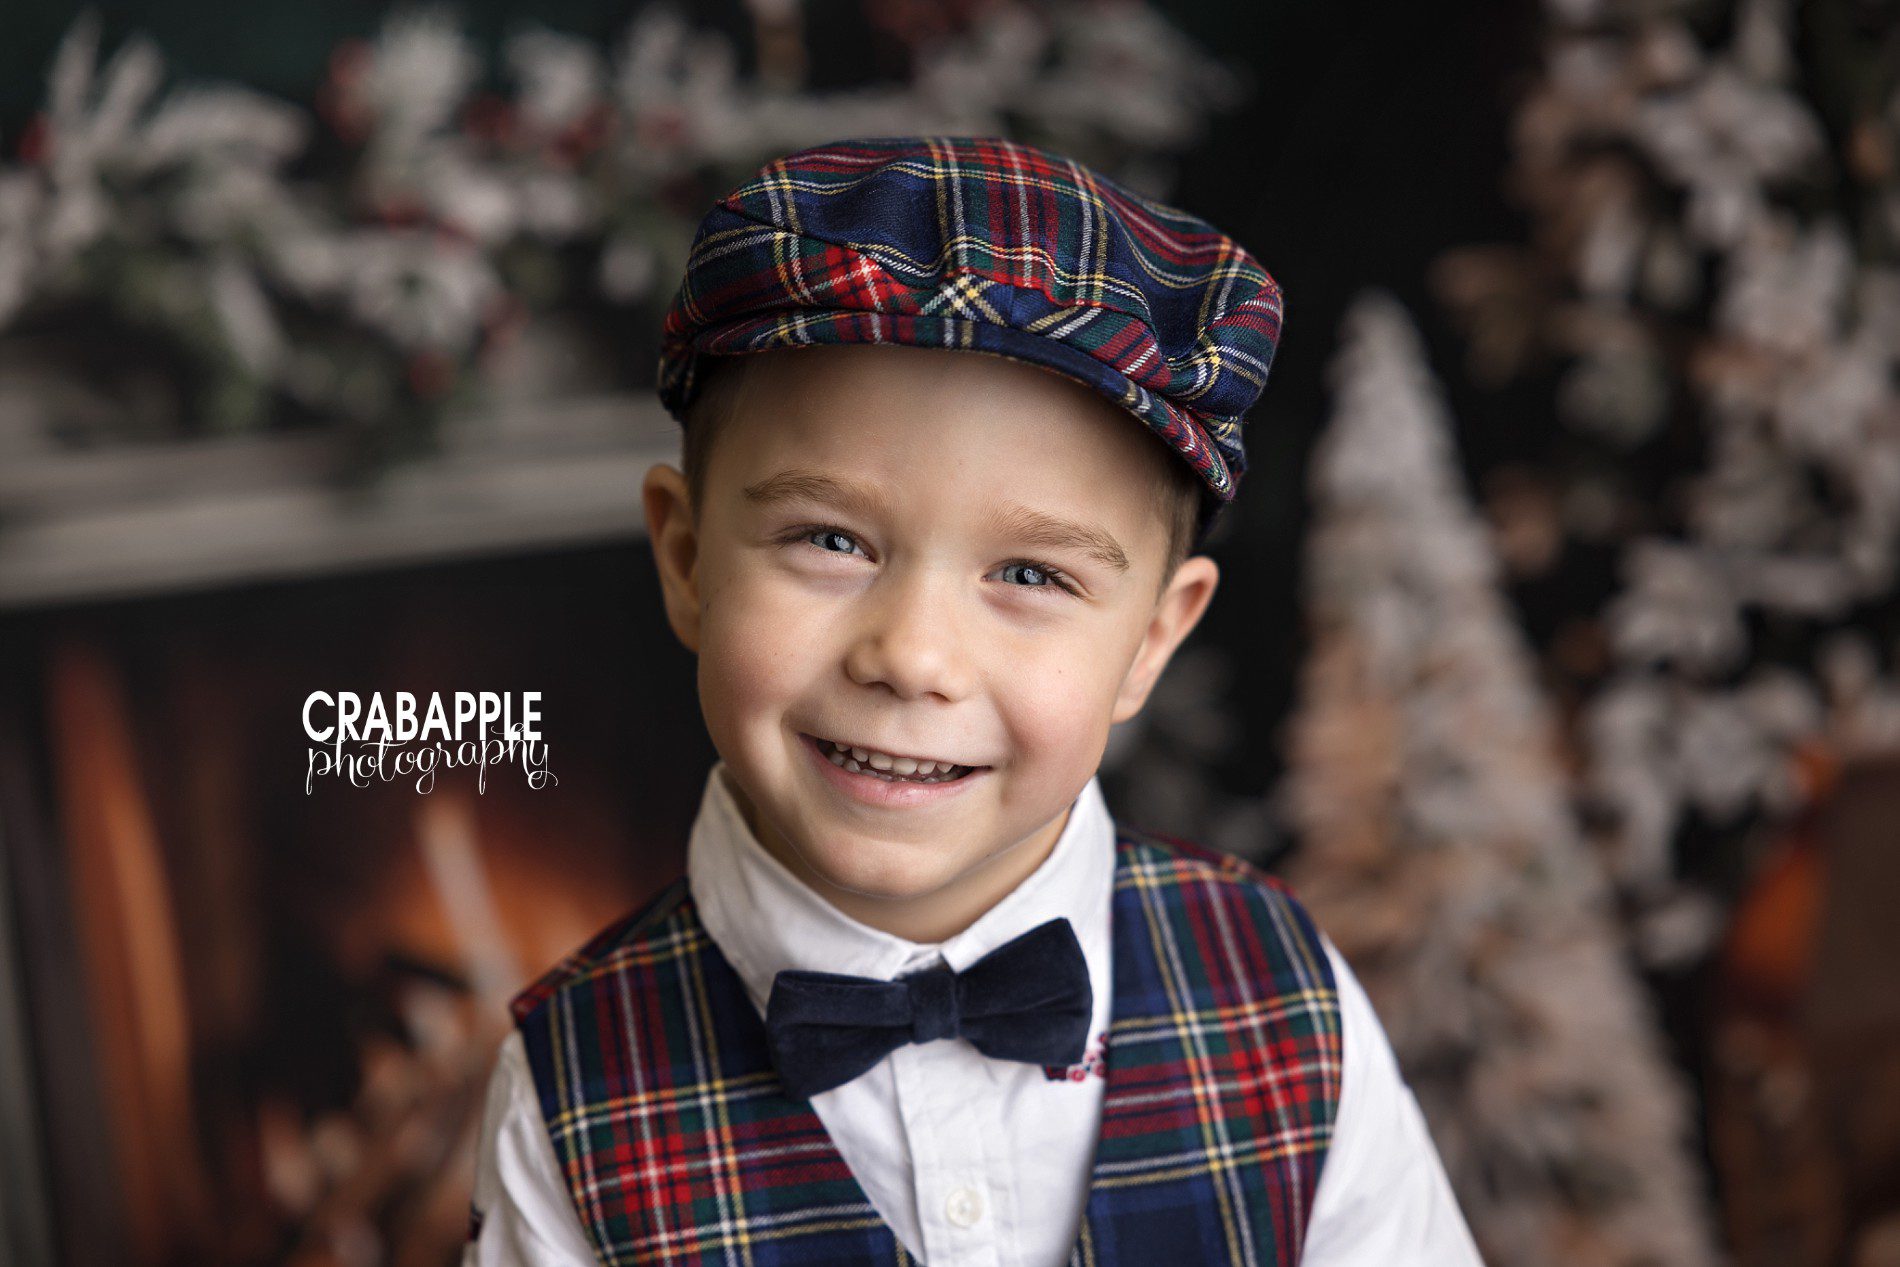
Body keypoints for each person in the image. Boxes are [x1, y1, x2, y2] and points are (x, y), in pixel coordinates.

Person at [464, 136, 1483, 1266]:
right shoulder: (569, 1087)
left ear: (1151, 638)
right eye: (831, 539)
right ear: (688, 557)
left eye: (1031, 575)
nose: (912, 656)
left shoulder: (1282, 996)